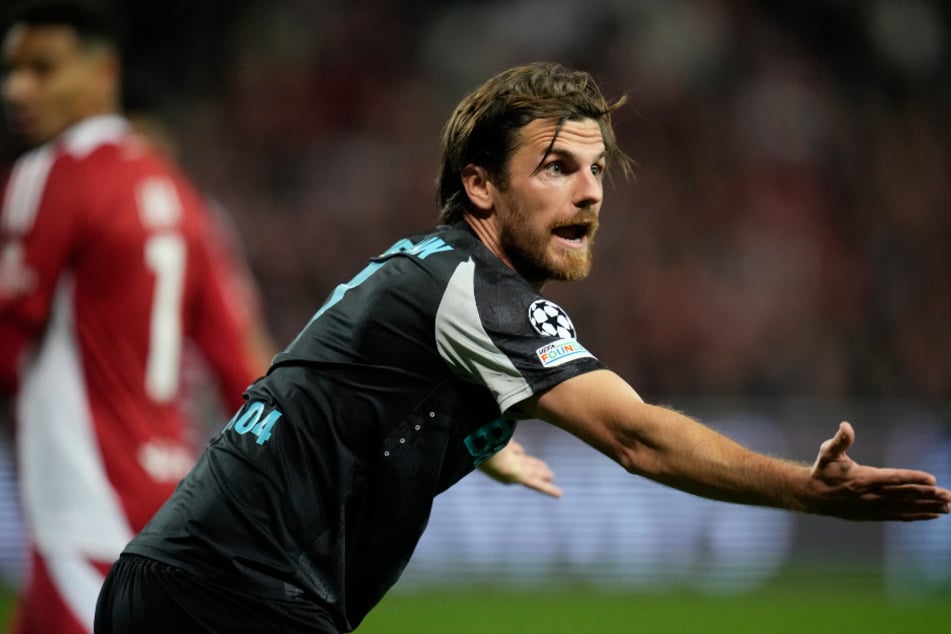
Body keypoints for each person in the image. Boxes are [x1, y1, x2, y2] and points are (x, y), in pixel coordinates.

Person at [95, 61, 951, 634]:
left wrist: (483, 443)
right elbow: (636, 436)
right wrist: (805, 491)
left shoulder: (425, 270)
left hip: (186, 583)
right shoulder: (474, 290)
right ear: (479, 184)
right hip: (231, 593)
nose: (589, 193)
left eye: (596, 169)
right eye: (556, 167)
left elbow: (346, 385)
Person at [0, 2, 263, 633]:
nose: (18, 89)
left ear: (102, 73)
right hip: (168, 502)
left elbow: (6, 343)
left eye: (43, 68)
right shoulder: (181, 196)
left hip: (86, 505)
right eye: (12, 70)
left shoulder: (49, 173)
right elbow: (242, 368)